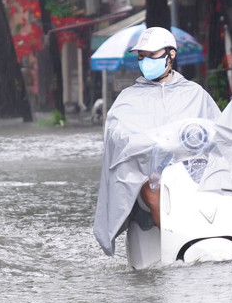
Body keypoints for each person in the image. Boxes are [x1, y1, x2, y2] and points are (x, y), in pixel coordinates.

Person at [93, 27, 219, 250]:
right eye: (141, 56)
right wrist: (143, 143)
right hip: (146, 176)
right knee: (155, 195)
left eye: (152, 55)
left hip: (193, 171)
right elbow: (116, 134)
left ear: (171, 55)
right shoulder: (127, 98)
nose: (145, 61)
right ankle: (178, 248)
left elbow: (217, 133)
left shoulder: (195, 94)